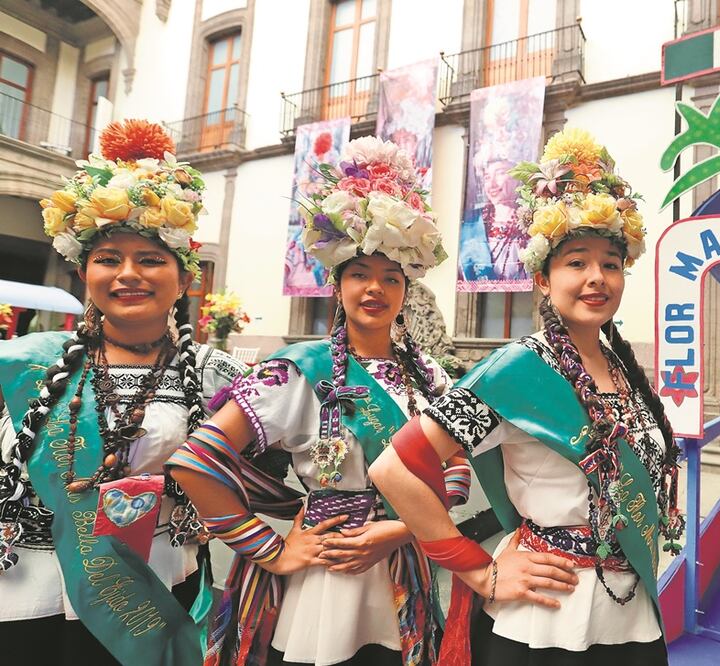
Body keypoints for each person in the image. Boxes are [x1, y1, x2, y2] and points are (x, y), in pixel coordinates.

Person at [370, 127, 685, 666]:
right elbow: (394, 469)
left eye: (611, 264)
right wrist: (476, 568)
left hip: (630, 614)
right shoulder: (516, 370)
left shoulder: (622, 368)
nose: (597, 278)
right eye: (577, 262)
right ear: (542, 278)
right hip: (546, 618)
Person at [167, 136, 470, 666]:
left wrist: (400, 529)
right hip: (325, 573)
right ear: (337, 284)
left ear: (406, 291)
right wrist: (272, 550)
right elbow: (195, 460)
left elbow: (458, 464)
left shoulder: (429, 376)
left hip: (402, 560)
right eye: (360, 274)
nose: (375, 289)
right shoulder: (296, 372)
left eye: (391, 278)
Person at [0, 119, 246, 664]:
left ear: (185, 279)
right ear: (83, 272)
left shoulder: (215, 374)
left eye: (151, 259)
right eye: (109, 259)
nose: (128, 274)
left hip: (151, 592)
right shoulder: (24, 362)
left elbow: (285, 468)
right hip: (25, 593)